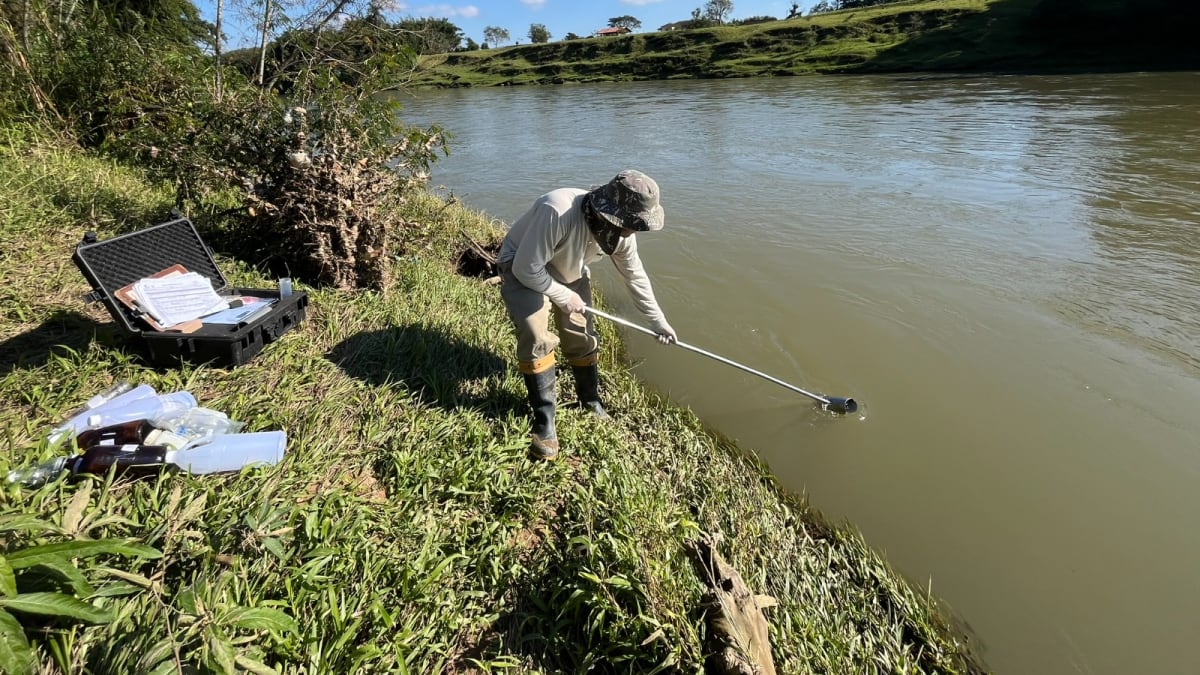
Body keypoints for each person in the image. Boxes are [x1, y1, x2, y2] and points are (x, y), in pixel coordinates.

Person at [497, 170, 678, 461]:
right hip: (523, 265)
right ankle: (545, 422)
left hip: (569, 269)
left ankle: (590, 399)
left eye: (637, 226)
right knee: (535, 334)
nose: (632, 232)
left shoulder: (621, 236)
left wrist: (658, 321)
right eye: (630, 224)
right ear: (608, 213)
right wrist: (562, 295)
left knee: (581, 336)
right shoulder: (556, 210)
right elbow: (526, 268)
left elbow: (635, 277)